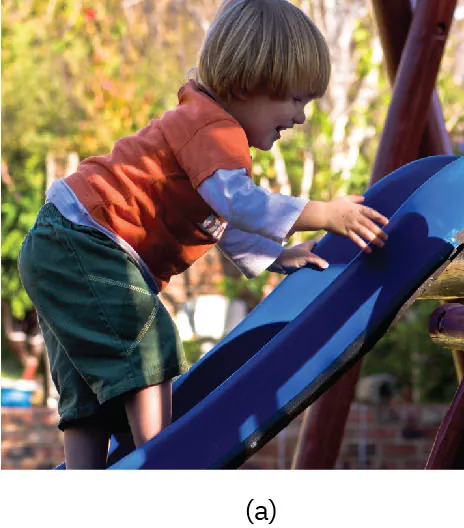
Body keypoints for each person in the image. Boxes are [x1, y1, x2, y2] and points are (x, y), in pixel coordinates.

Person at [17, 0, 389, 468]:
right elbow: (237, 203)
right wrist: (323, 213)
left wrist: (276, 256)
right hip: (87, 240)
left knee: (85, 388)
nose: (300, 117)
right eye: (294, 99)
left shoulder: (208, 133)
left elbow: (219, 221)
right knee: (150, 342)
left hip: (61, 245)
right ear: (245, 84)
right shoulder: (212, 129)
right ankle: (163, 460)